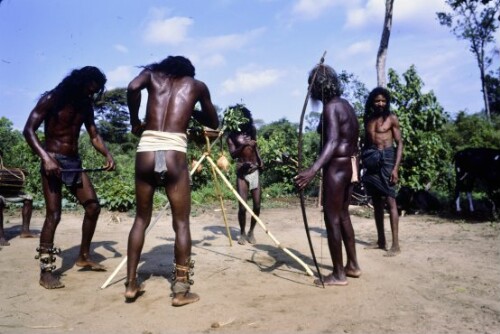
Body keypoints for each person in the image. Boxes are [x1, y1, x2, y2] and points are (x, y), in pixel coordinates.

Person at [125, 56, 219, 306]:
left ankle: (131, 284)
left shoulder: (151, 75)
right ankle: (180, 291)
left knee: (141, 219)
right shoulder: (197, 86)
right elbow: (214, 122)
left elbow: (133, 88)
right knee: (181, 223)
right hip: (174, 154)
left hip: (146, 150)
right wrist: (191, 109)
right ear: (188, 71)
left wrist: (135, 121)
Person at [23, 66, 115, 289]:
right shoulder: (53, 98)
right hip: (52, 160)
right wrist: (46, 158)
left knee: (93, 206)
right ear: (79, 83)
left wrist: (107, 153)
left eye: (94, 91)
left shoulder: (85, 104)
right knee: (54, 215)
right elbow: (28, 130)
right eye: (88, 89)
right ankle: (46, 271)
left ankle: (83, 256)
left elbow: (93, 134)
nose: (90, 94)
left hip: (73, 163)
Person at [295, 64, 361, 286]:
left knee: (332, 218)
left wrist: (312, 170)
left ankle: (338, 274)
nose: (309, 91)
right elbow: (338, 135)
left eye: (310, 85)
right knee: (343, 215)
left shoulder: (331, 107)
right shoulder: (346, 106)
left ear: (319, 86)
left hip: (337, 167)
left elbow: (333, 141)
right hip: (351, 165)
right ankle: (352, 265)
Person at [361, 87, 403, 256]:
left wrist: (395, 168)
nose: (380, 103)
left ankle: (395, 245)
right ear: (372, 101)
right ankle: (381, 241)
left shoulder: (391, 119)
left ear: (387, 102)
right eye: (377, 100)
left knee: (390, 201)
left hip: (387, 159)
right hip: (372, 159)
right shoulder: (368, 120)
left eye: (383, 101)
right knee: (377, 202)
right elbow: (366, 143)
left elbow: (399, 143)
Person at [226, 105, 264, 245]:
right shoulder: (231, 136)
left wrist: (260, 161)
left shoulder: (251, 130)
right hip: (242, 173)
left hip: (254, 171)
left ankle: (251, 231)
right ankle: (242, 232)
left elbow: (255, 148)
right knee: (242, 206)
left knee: (257, 206)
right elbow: (232, 154)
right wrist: (243, 145)